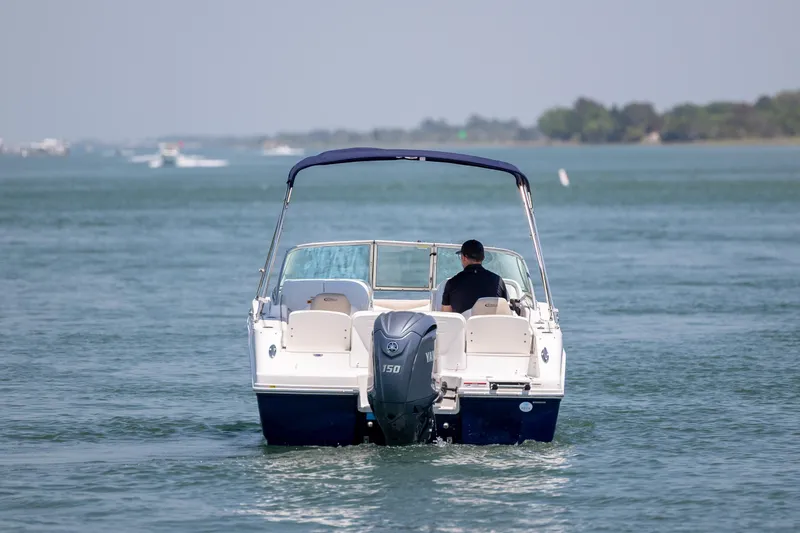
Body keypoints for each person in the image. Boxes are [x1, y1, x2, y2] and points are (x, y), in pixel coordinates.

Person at [441, 240, 508, 314]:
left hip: (464, 325)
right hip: (492, 325)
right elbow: (505, 309)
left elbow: (446, 314)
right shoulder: (498, 281)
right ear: (483, 258)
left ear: (464, 258)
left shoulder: (452, 283)